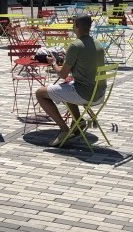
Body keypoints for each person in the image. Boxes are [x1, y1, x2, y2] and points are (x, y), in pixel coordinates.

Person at [34, 14, 106, 147]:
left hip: (85, 94)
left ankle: (64, 130)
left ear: (76, 27)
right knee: (66, 85)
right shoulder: (98, 44)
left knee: (40, 93)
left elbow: (62, 74)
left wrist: (53, 63)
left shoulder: (75, 46)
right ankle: (78, 122)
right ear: (90, 27)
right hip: (100, 93)